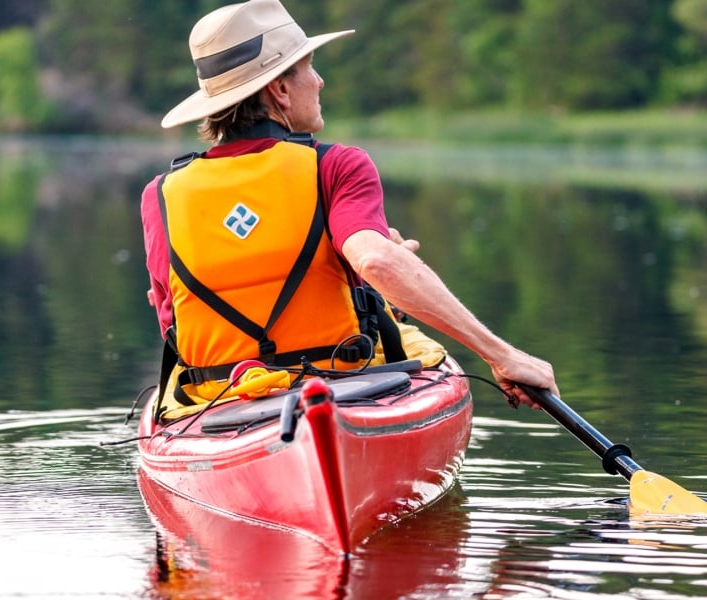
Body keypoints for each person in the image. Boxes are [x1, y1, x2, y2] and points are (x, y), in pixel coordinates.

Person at [141, 0, 558, 416]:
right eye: (309, 68)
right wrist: (501, 354)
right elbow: (375, 261)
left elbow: (173, 320)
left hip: (224, 401)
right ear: (280, 90)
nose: (319, 82)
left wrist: (360, 270)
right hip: (343, 384)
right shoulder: (336, 165)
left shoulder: (160, 194)